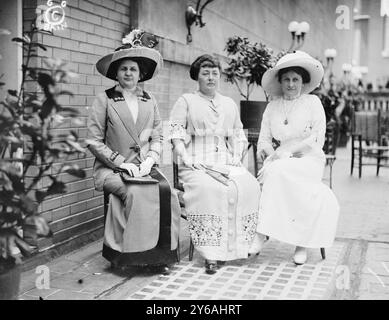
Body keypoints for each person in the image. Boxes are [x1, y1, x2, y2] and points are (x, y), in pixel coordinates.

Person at [87, 31, 181, 274]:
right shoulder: (105, 99)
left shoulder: (150, 100)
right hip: (111, 170)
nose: (129, 73)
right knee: (137, 193)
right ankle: (127, 256)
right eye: (124, 69)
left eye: (133, 69)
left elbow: (158, 135)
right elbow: (93, 141)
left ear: (141, 75)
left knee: (167, 192)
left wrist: (151, 159)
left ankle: (160, 256)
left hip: (144, 167)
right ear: (116, 73)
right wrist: (120, 163)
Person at [169, 54, 261, 274]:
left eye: (214, 73)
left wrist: (237, 155)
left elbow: (238, 134)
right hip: (196, 160)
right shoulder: (186, 101)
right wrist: (185, 155)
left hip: (224, 160)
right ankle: (212, 253)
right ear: (197, 77)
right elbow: (175, 132)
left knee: (249, 184)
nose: (211, 78)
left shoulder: (228, 103)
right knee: (211, 188)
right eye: (205, 73)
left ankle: (244, 244)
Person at [251, 51, 340, 265]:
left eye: (296, 79)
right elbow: (263, 139)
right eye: (287, 79)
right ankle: (264, 234)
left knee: (276, 171)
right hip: (281, 159)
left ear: (303, 81)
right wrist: (270, 153)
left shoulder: (312, 103)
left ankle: (294, 242)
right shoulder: (272, 107)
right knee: (276, 169)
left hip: (309, 158)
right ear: (280, 82)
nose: (291, 84)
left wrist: (288, 154)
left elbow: (317, 138)